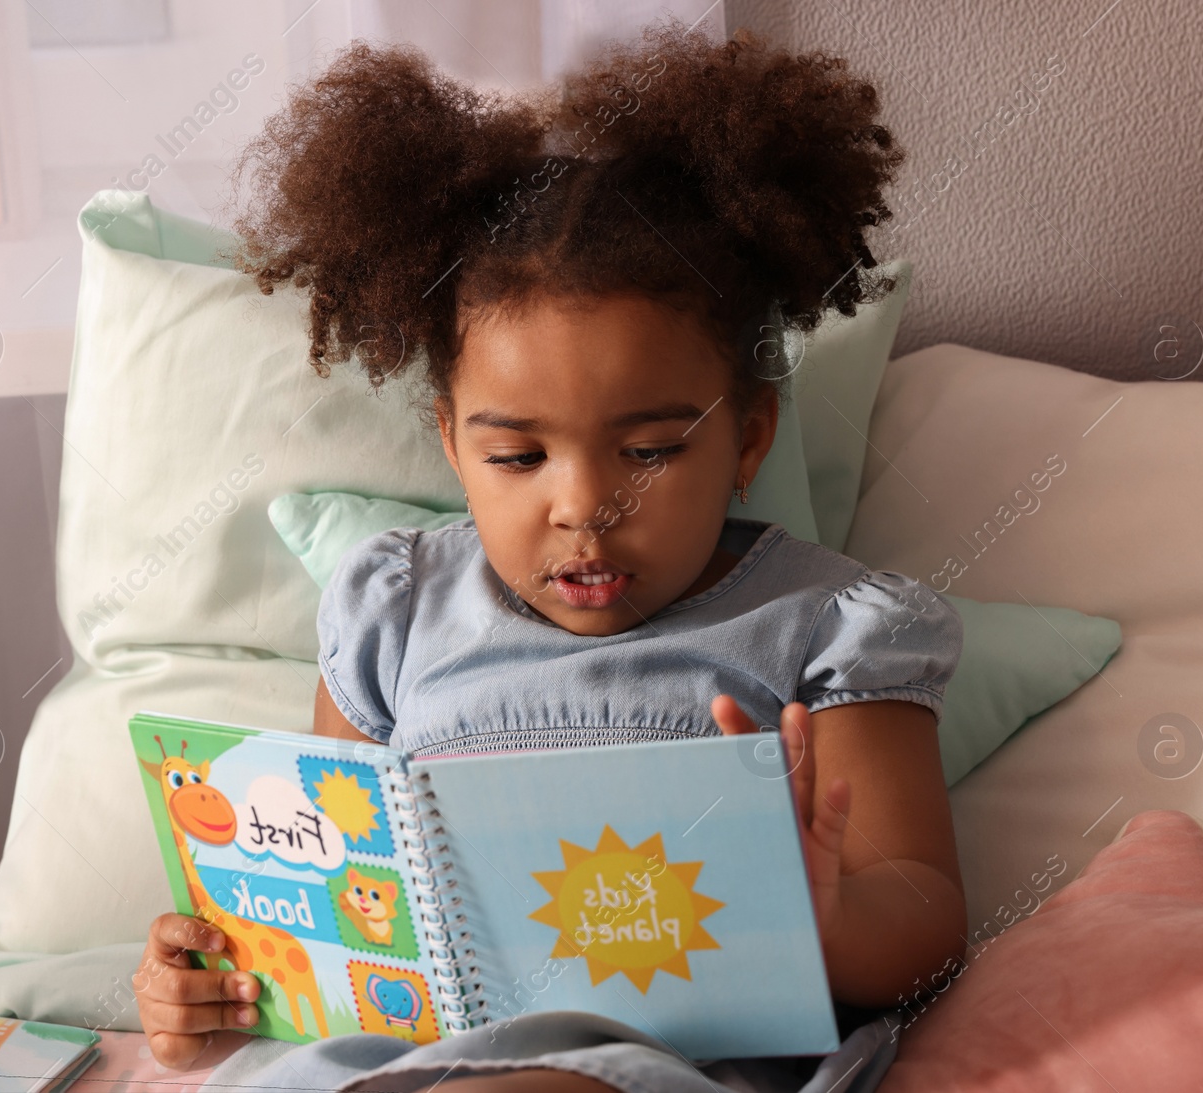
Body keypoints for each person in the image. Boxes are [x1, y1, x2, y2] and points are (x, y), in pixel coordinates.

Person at [134, 18, 965, 1092]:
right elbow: (327, 878)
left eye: (653, 450)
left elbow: (928, 917)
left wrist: (829, 915)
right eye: (518, 455)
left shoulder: (829, 628)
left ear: (747, 437)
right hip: (400, 1061)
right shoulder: (397, 608)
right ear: (451, 445)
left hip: (657, 1068)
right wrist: (204, 975)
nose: (584, 505)